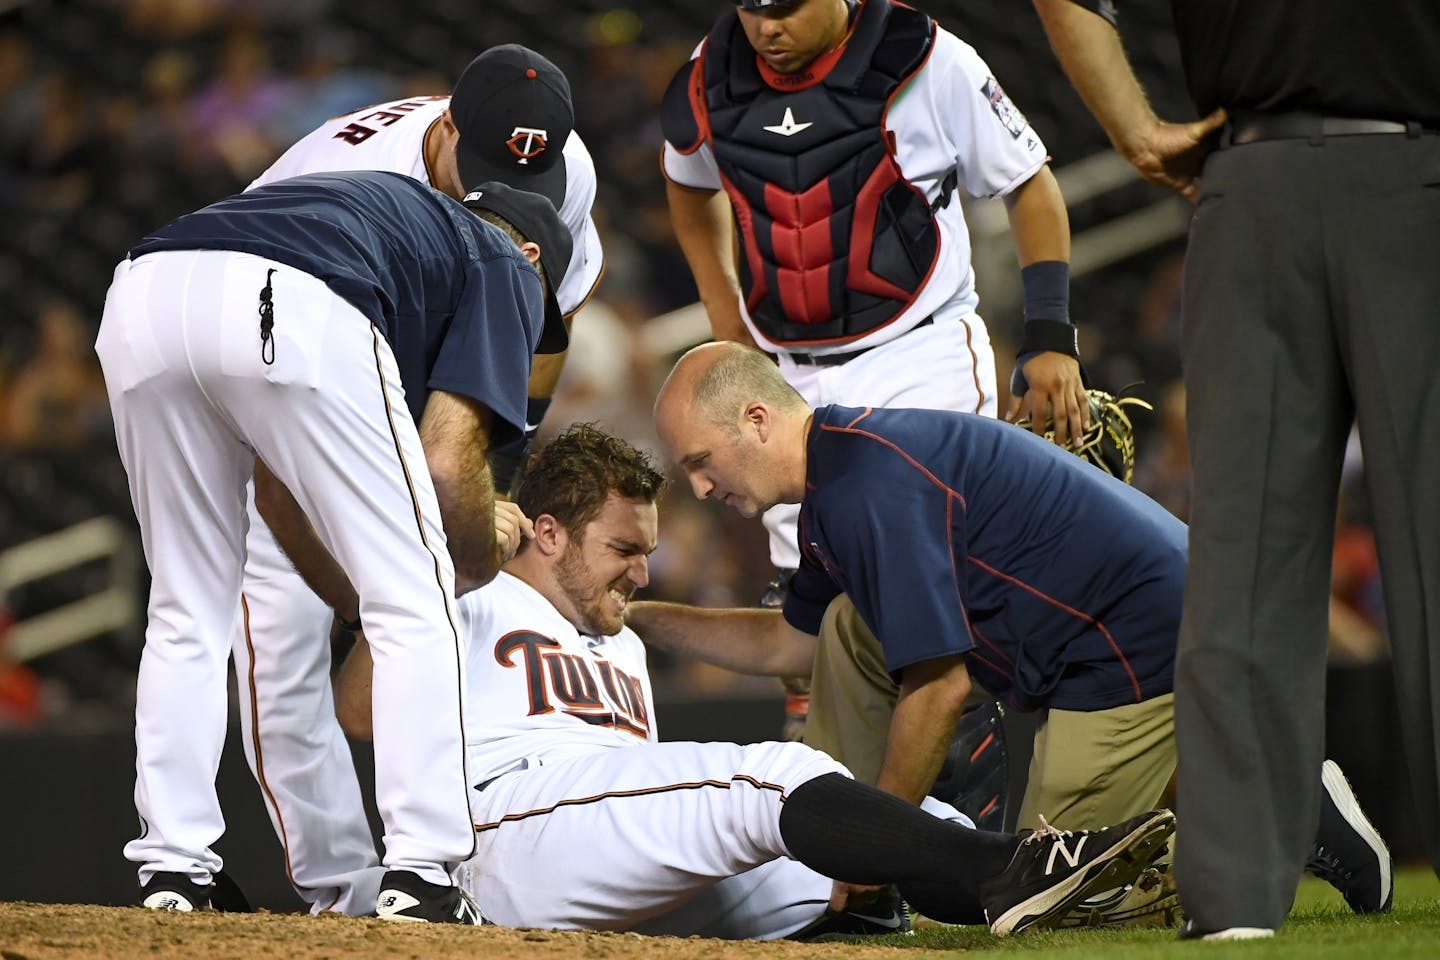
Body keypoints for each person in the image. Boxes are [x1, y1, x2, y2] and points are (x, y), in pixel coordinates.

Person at [645, 340, 1393, 924]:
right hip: (1121, 636)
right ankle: (849, 866)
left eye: (701, 462)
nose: (703, 488)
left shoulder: (866, 487)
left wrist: (872, 856)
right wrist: (638, 617)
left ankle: (1287, 807)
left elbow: (939, 688)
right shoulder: (843, 476)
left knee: (1050, 891)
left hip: (1141, 647)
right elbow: (788, 644)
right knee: (845, 624)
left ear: (756, 419)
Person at [332, 422, 1177, 938]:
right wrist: (439, 570)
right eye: (622, 551)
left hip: (611, 868)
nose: (639, 572)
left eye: (647, 553)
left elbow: (751, 660)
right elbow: (361, 712)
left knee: (889, 825)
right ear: (545, 534)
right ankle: (1011, 870)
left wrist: (637, 608)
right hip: (504, 837)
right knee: (773, 774)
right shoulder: (474, 598)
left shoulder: (621, 639)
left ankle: (1070, 890)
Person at [1028, 0, 1440, 939]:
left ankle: (1233, 896)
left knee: (1242, 560)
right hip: (1418, 172)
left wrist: (1135, 127)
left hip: (1251, 180)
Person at [95, 169, 571, 923]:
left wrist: (357, 599)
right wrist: (476, 555)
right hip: (289, 298)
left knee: (186, 609)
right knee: (417, 599)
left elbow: (280, 491)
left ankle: (175, 870)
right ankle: (423, 874)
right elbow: (450, 468)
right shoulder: (504, 260)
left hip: (144, 291)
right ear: (538, 257)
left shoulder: (397, 220)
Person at [232, 44, 604, 915]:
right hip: (277, 342)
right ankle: (340, 891)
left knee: (423, 592)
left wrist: (499, 469)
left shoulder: (563, 166)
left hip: (407, 348)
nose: (493, 193)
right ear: (442, 131)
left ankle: (423, 879)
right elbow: (273, 391)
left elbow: (550, 320)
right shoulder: (349, 173)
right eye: (473, 169)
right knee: (284, 629)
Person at [661, 0, 1085, 739]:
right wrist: (722, 310)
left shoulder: (924, 57)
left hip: (916, 351)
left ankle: (985, 755)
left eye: (785, 9)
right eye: (753, 10)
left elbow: (1028, 181)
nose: (768, 29)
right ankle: (826, 758)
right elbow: (687, 181)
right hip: (786, 370)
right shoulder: (711, 74)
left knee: (946, 571)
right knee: (806, 591)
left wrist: (1050, 332)